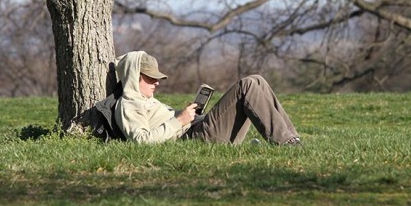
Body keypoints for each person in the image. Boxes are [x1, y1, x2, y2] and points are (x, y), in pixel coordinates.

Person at [113, 50, 302, 146]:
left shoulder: (148, 100)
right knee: (247, 85)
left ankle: (292, 139)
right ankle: (285, 143)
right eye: (151, 77)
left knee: (257, 80)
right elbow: (140, 141)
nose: (157, 82)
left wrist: (187, 114)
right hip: (195, 137)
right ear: (133, 75)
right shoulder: (130, 103)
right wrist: (179, 120)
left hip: (197, 129)